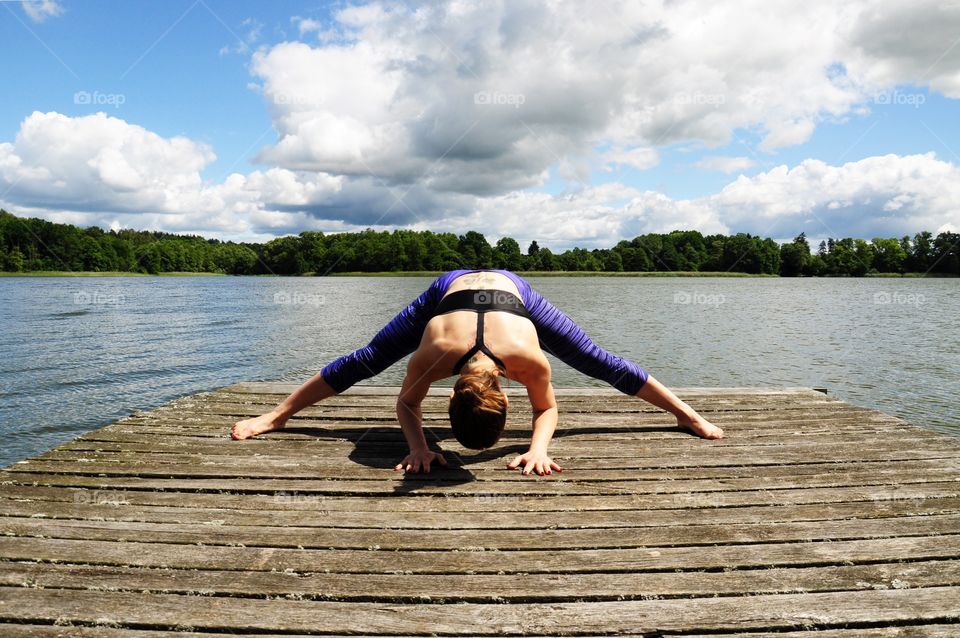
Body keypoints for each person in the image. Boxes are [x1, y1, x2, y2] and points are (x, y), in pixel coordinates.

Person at [231, 269, 723, 475]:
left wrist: (538, 448)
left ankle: (685, 414)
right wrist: (419, 447)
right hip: (448, 293)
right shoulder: (436, 353)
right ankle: (277, 415)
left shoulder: (528, 359)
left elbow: (548, 408)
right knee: (367, 359)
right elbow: (404, 403)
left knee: (597, 361)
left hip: (513, 293)